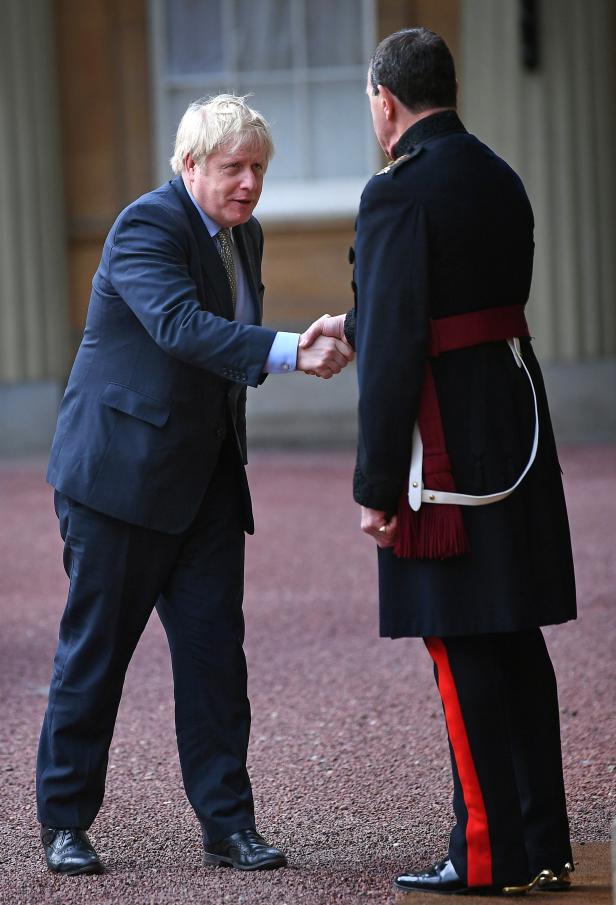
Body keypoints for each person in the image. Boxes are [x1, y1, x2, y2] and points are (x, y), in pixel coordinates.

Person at [36, 94, 353, 876]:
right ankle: (65, 823)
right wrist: (287, 350)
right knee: (95, 656)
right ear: (189, 166)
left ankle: (229, 824)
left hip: (206, 482)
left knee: (216, 662)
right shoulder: (146, 224)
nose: (249, 183)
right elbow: (179, 327)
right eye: (233, 168)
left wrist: (285, 348)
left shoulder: (245, 236)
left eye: (259, 169)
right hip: (118, 482)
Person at [303, 28, 576, 896]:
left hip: (443, 441)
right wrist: (360, 316)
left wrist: (376, 487)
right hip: (513, 416)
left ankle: (487, 853)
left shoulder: (395, 194)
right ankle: (543, 840)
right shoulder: (501, 172)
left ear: (385, 101)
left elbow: (397, 353)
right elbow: (463, 298)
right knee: (514, 630)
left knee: (459, 640)